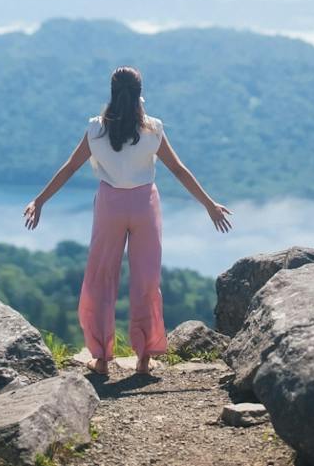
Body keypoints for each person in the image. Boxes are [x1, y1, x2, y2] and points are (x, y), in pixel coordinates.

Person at [23, 65, 232, 378]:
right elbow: (178, 170)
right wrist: (209, 204)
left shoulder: (96, 129)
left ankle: (102, 358)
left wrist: (39, 201)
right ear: (140, 94)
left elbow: (69, 168)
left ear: (111, 91)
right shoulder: (153, 129)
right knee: (146, 279)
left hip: (109, 206)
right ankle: (145, 358)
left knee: (100, 278)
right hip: (145, 205)